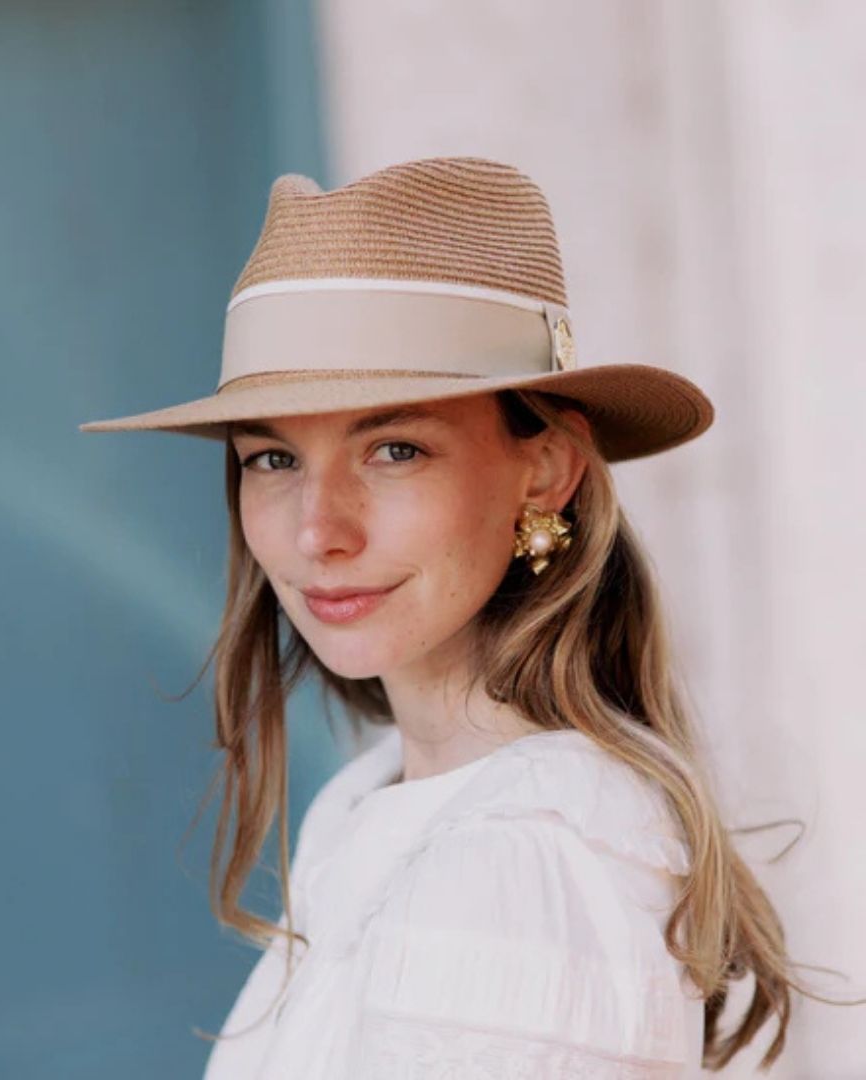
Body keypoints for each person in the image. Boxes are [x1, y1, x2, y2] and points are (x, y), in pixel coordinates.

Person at [79, 156, 816, 1077]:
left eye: (394, 449)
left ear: (544, 469)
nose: (318, 531)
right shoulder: (380, 804)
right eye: (272, 459)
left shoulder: (518, 856)